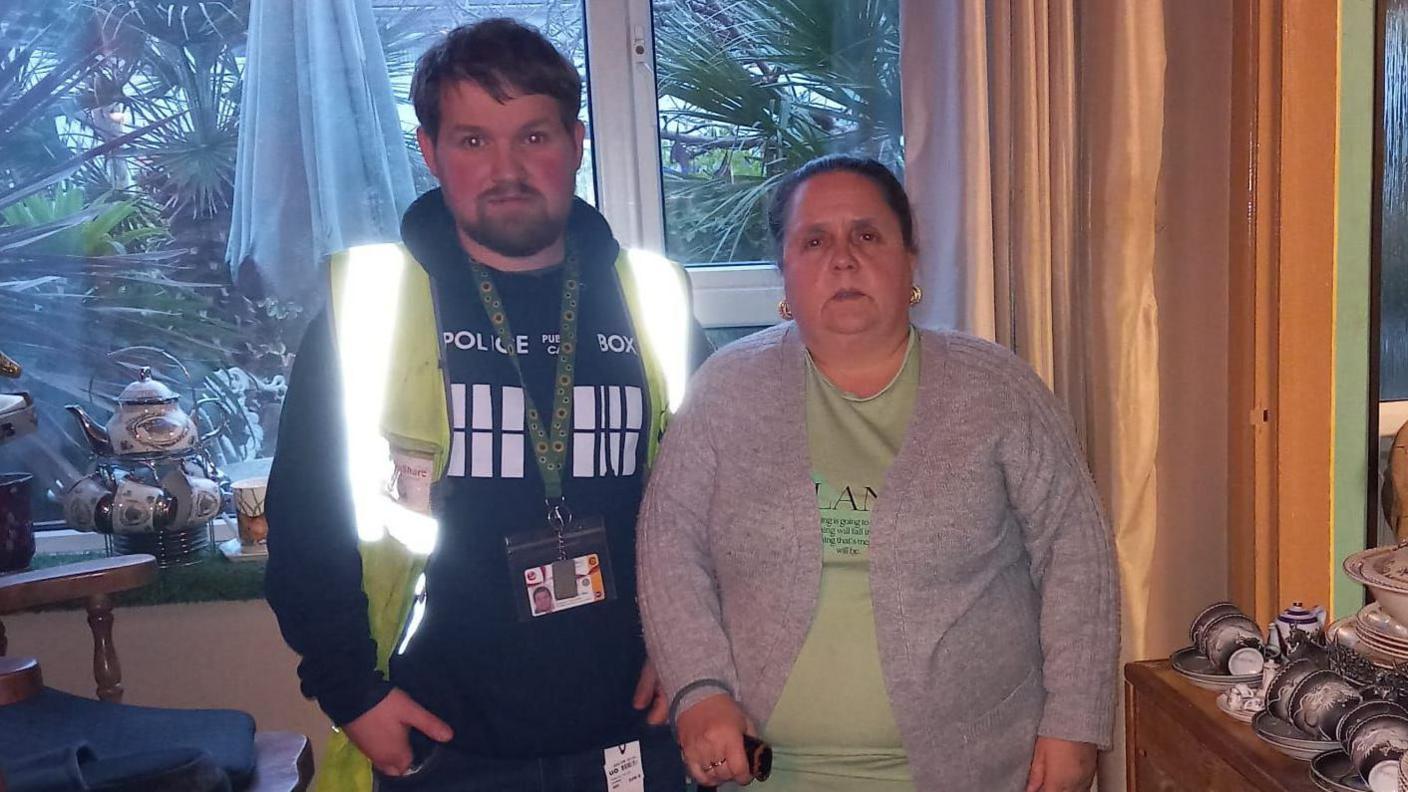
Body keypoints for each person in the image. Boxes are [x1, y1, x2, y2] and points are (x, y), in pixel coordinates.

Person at [265, 18, 707, 792]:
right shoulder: (367, 309)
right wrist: (351, 695)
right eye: (473, 141)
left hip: (637, 737)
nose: (506, 168)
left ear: (575, 143)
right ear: (431, 152)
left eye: (532, 137)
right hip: (442, 745)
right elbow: (306, 525)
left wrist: (704, 661)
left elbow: (728, 503)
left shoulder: (654, 302)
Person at [636, 155, 1118, 792]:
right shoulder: (726, 389)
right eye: (814, 240)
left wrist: (1075, 725)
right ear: (783, 271)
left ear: (909, 259)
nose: (843, 259)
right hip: (768, 773)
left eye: (867, 235)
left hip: (978, 768)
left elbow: (1076, 554)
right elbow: (668, 545)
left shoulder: (997, 387)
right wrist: (698, 688)